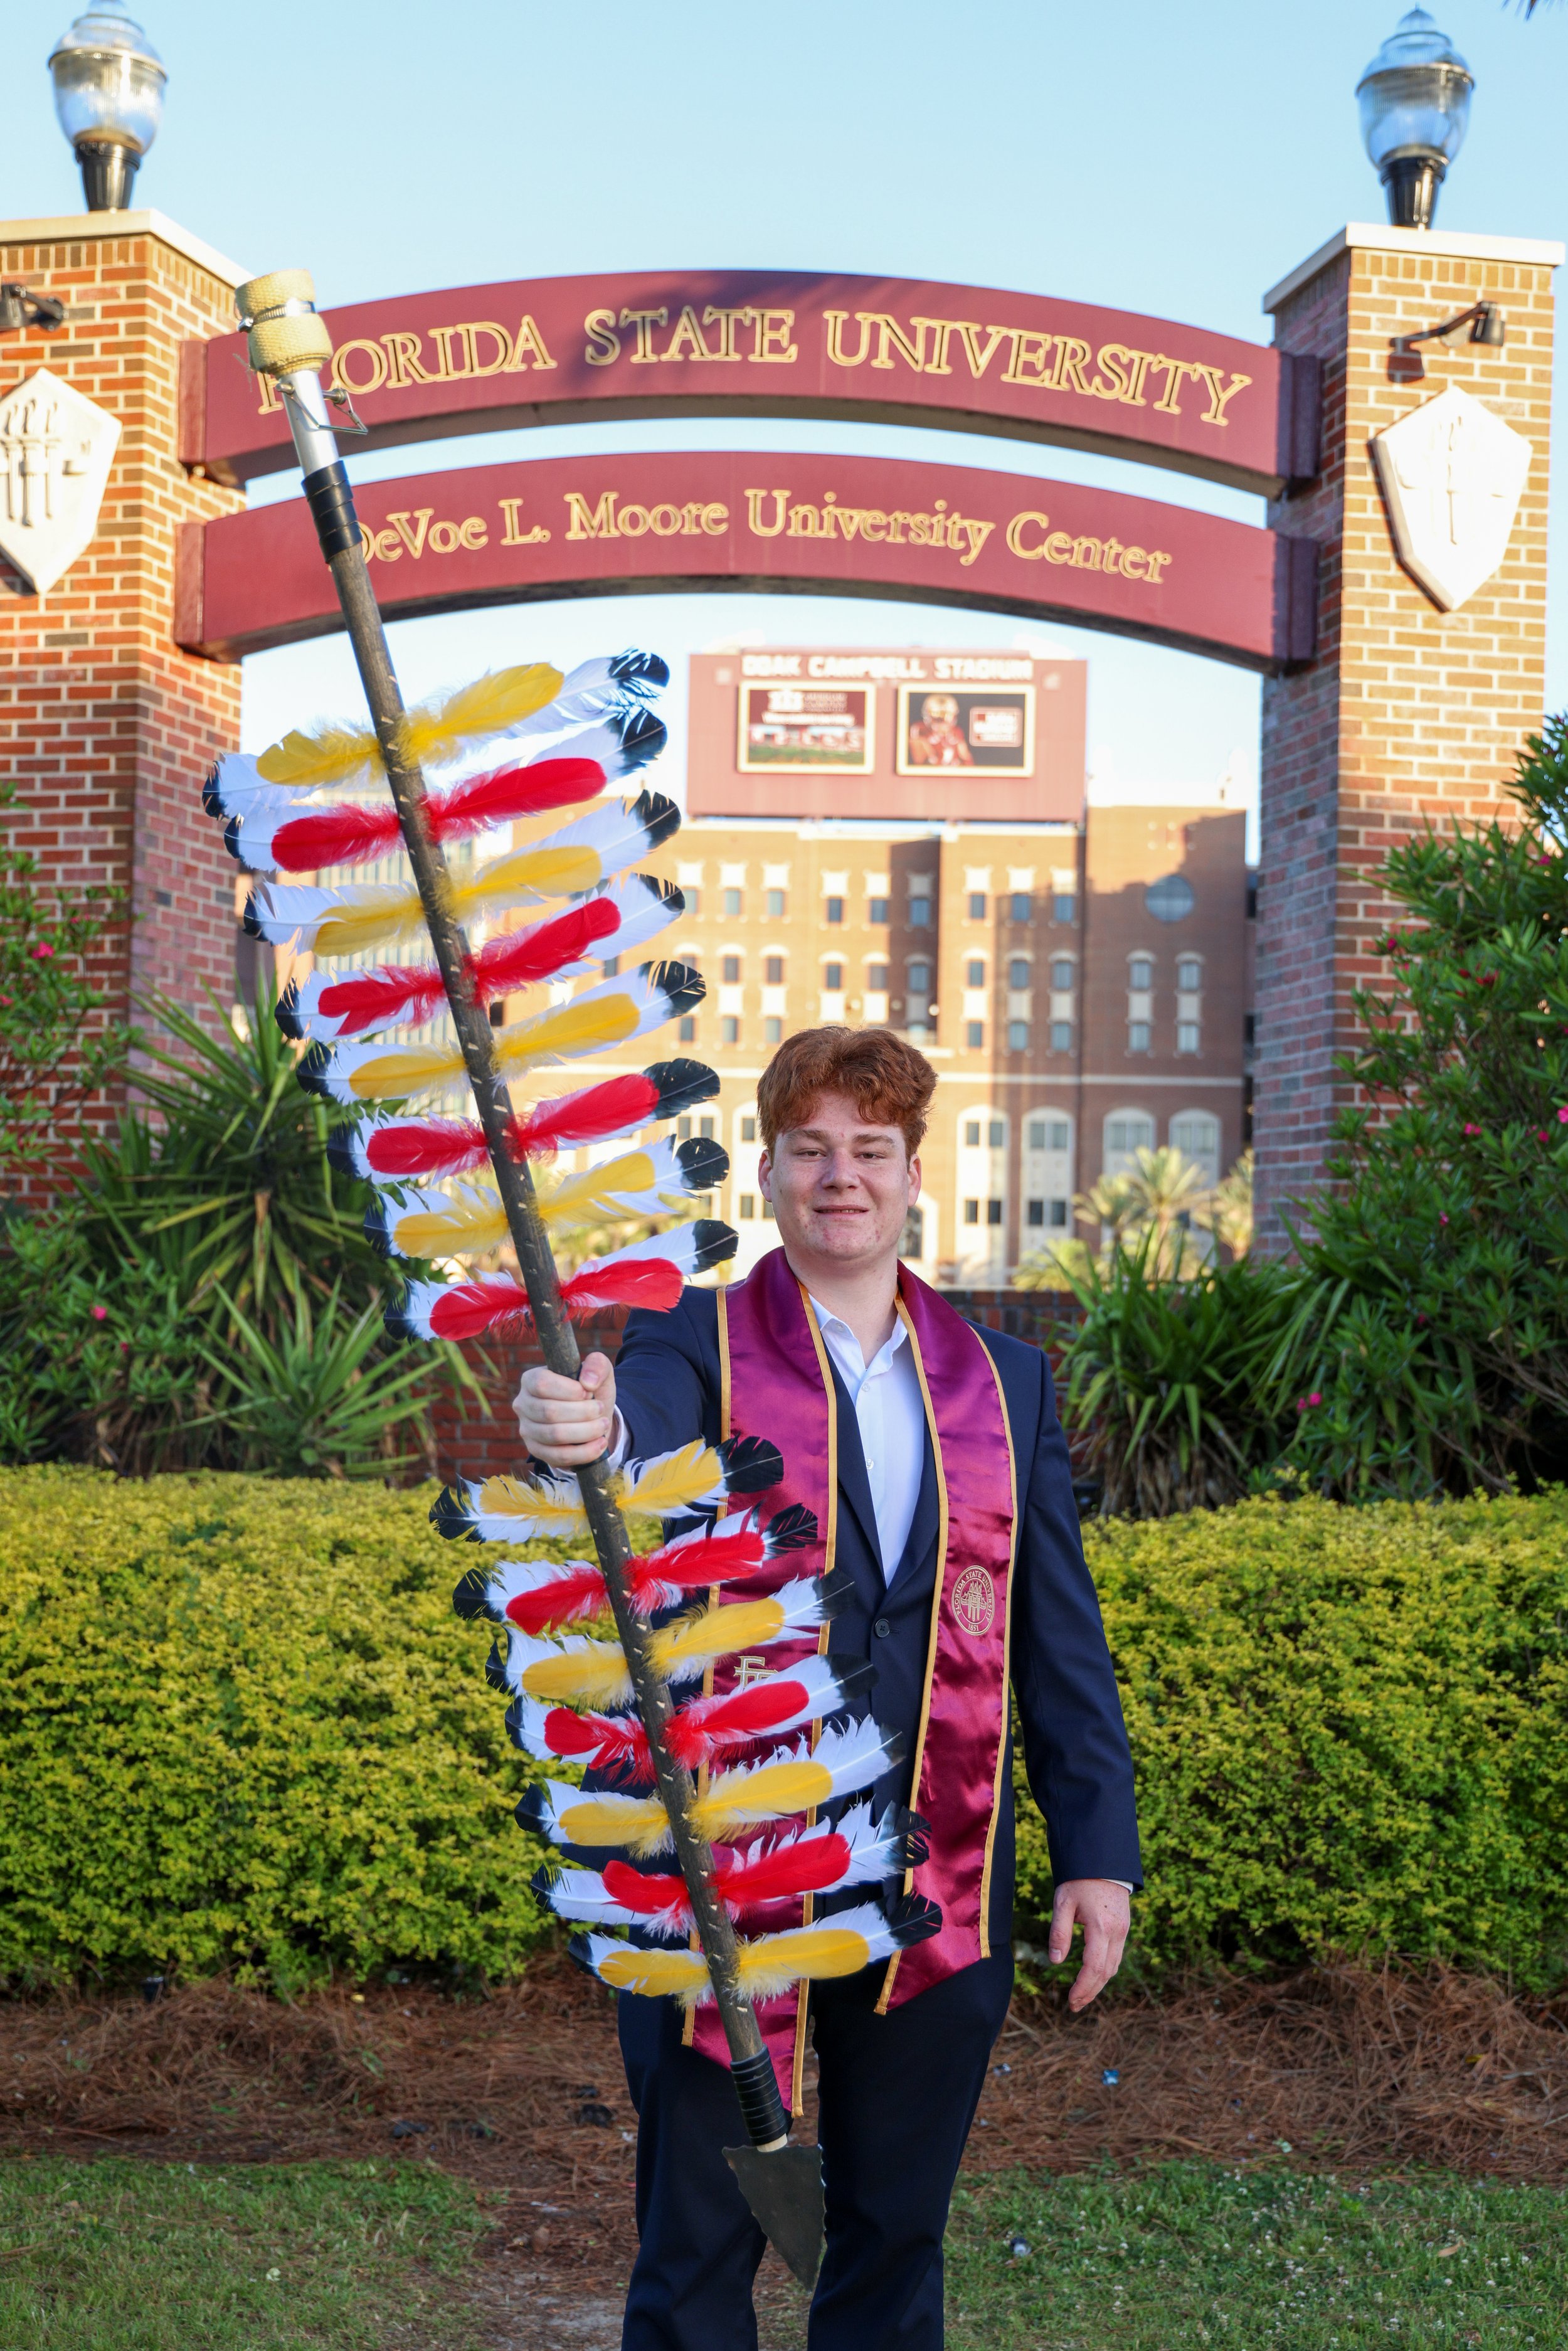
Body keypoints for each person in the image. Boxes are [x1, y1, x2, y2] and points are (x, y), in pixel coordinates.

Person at [514, 1026, 1140, 2351]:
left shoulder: (1002, 1379)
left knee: (893, 2239)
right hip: (724, 1870)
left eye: (869, 1149)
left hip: (939, 1872)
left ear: (914, 1173)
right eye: (811, 1149)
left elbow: (1054, 1638)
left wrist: (1097, 1852)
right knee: (697, 2243)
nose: (839, 1175)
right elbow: (640, 1435)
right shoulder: (690, 1338)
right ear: (768, 1169)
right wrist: (595, 1430)